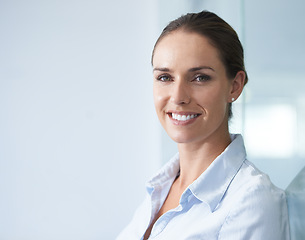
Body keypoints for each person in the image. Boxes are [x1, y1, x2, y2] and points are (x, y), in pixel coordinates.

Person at [117, 10, 290, 239]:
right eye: (165, 77)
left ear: (235, 86)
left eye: (199, 78)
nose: (178, 96)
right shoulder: (160, 189)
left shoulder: (252, 202)